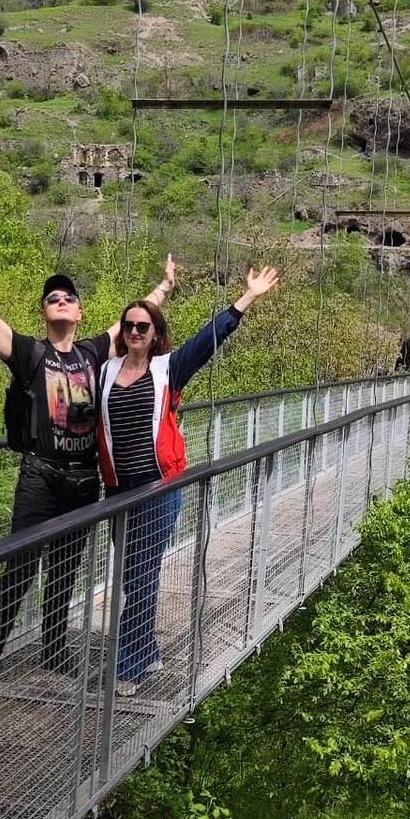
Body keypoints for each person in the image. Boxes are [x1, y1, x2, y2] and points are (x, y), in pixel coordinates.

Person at [0, 240, 174, 703]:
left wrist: (164, 286)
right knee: (19, 569)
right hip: (41, 476)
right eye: (52, 298)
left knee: (64, 570)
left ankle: (54, 648)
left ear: (80, 312)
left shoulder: (93, 353)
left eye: (68, 297)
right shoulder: (29, 354)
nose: (60, 301)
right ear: (44, 313)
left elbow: (138, 317)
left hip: (85, 481)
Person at [98, 265, 280, 697]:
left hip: (160, 487)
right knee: (133, 574)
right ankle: (147, 647)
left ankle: (129, 666)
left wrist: (246, 298)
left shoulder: (167, 370)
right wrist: (160, 287)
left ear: (155, 333)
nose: (135, 331)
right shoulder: (103, 372)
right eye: (129, 326)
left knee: (141, 572)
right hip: (118, 488)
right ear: (121, 332)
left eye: (143, 326)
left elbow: (206, 341)